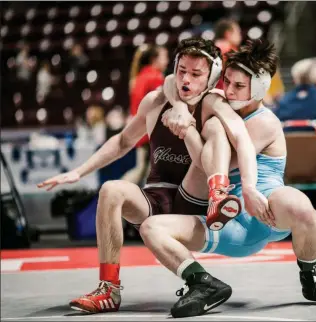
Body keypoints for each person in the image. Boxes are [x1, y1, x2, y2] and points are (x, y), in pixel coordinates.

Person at [37, 37, 268, 314]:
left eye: (196, 74)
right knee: (111, 189)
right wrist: (78, 172)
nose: (186, 80)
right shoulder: (157, 100)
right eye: (182, 70)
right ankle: (109, 289)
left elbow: (241, 140)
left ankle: (219, 191)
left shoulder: (214, 103)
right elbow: (123, 142)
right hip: (156, 198)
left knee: (217, 129)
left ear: (212, 77)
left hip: (195, 198)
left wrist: (248, 185)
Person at [141, 39, 316, 318]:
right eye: (226, 82)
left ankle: (312, 280)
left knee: (300, 204)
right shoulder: (220, 109)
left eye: (239, 86)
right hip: (225, 223)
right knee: (151, 228)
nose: (229, 90)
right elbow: (169, 81)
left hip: (265, 208)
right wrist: (180, 107)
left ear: (259, 89)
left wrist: (189, 129)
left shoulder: (263, 121)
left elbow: (210, 163)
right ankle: (202, 283)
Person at [124, 44, 169, 184]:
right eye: (164, 57)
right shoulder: (155, 77)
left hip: (140, 130)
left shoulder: (139, 77)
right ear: (154, 59)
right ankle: (118, 191)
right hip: (150, 132)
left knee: (143, 169)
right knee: (147, 171)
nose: (167, 61)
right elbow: (161, 106)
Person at [213, 18, 242, 89]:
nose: (240, 36)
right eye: (238, 33)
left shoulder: (215, 45)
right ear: (228, 34)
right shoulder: (226, 47)